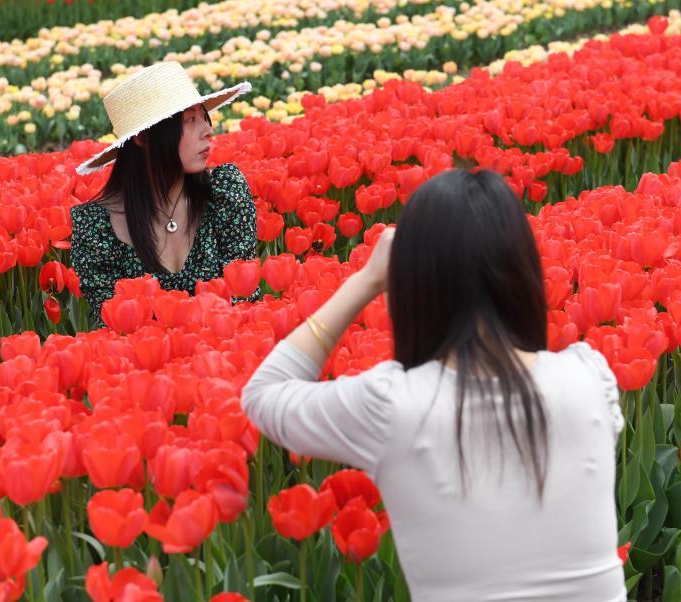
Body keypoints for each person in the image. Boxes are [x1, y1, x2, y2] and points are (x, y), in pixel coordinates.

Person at [241, 169, 627, 601]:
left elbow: (263, 394)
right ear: (523, 270)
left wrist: (366, 280)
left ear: (413, 284)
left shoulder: (395, 407)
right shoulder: (590, 379)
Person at [71, 62, 258, 326]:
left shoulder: (223, 195)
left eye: (203, 116)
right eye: (190, 120)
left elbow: (246, 303)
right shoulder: (99, 229)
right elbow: (115, 329)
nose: (207, 130)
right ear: (143, 138)